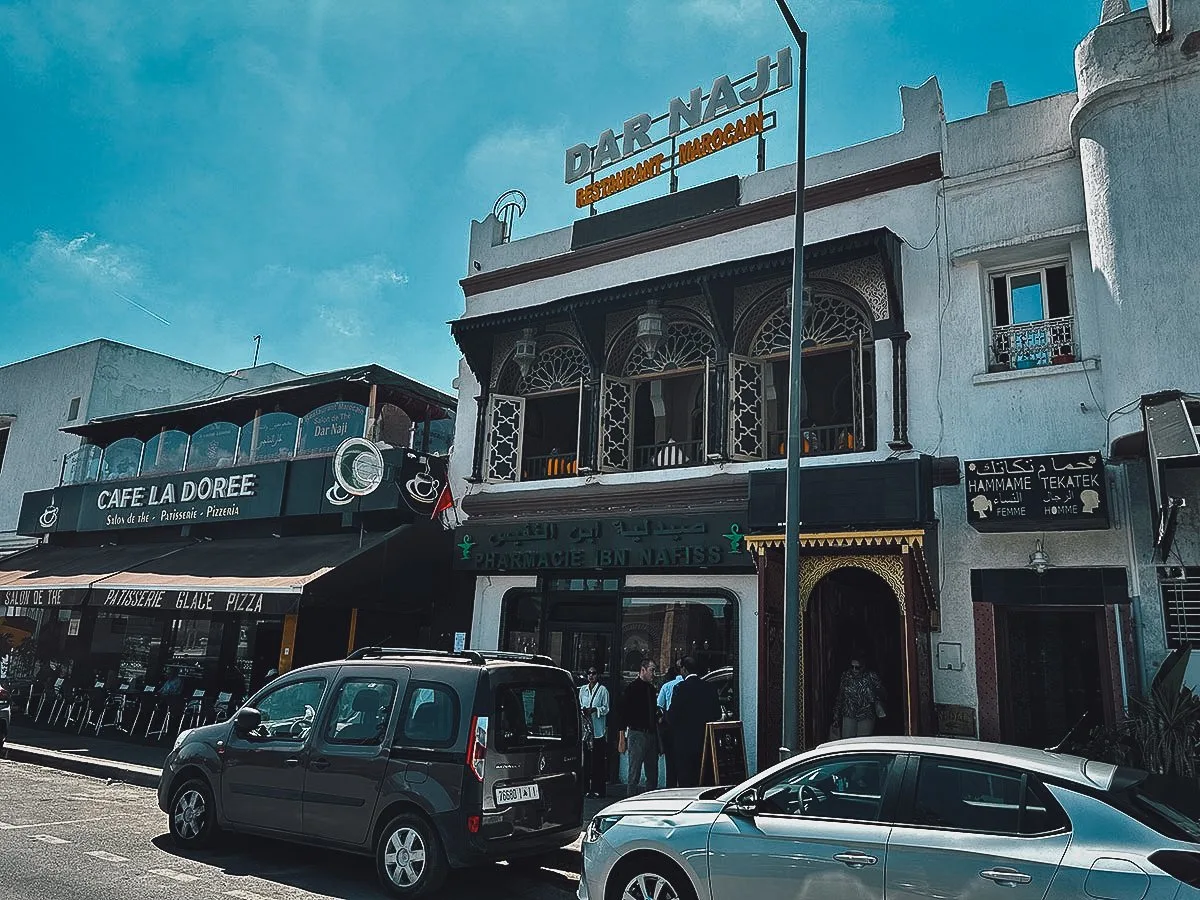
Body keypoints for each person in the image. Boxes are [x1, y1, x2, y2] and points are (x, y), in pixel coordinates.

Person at [666, 657, 722, 788]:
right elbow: (717, 714)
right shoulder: (709, 687)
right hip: (705, 741)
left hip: (684, 743)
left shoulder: (680, 688)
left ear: (684, 670)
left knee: (686, 782)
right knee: (703, 781)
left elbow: (672, 716)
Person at [621, 659, 660, 793]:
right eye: (651, 670)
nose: (653, 673)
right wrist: (622, 737)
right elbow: (623, 713)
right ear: (643, 670)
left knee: (652, 772)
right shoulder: (632, 688)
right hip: (636, 733)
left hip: (650, 732)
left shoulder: (651, 689)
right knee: (634, 772)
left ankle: (649, 799)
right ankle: (630, 800)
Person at [833, 657, 885, 738]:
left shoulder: (871, 676)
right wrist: (836, 714)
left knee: (862, 742)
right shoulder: (846, 676)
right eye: (852, 667)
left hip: (866, 714)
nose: (854, 670)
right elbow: (840, 695)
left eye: (857, 667)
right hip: (849, 713)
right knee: (847, 742)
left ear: (863, 666)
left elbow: (881, 692)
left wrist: (873, 695)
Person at [578, 667, 610, 798]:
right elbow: (579, 705)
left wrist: (595, 710)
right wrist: (584, 710)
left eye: (593, 673)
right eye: (589, 673)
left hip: (597, 731)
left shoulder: (603, 690)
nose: (591, 676)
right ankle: (585, 788)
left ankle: (598, 788)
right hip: (586, 732)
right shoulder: (582, 690)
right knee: (585, 761)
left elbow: (606, 708)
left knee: (598, 762)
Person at [656, 661, 684, 788]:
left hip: (670, 727)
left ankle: (671, 787)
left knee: (670, 762)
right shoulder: (686, 684)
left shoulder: (667, 686)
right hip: (684, 727)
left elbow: (659, 706)